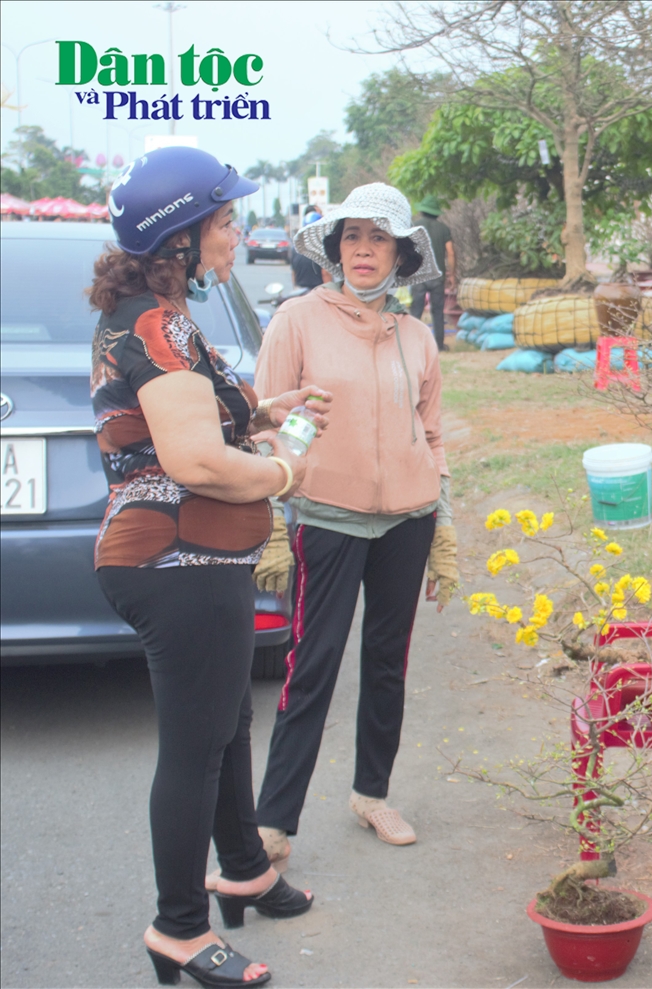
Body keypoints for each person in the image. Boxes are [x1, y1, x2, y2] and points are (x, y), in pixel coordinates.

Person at [92, 146, 328, 988]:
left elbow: (196, 417)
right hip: (175, 558)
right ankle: (179, 929)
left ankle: (245, 868)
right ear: (180, 238)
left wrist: (265, 410)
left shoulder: (160, 315)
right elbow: (193, 460)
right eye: (226, 220)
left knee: (229, 723)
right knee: (196, 745)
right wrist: (284, 473)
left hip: (200, 552)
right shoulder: (154, 326)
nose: (238, 232)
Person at [252, 183, 460, 857]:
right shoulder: (298, 320)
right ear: (334, 250)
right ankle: (275, 821)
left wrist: (444, 524)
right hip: (327, 516)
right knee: (312, 665)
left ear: (400, 255)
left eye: (378, 239)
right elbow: (268, 425)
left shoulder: (417, 337)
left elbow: (431, 436)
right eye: (352, 237)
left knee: (387, 665)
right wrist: (274, 515)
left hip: (408, 519)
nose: (363, 250)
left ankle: (373, 794)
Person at [407, 195, 453, 350]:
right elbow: (450, 252)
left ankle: (412, 345)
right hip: (437, 276)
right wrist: (451, 274)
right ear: (436, 212)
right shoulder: (444, 229)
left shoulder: (414, 227)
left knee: (416, 311)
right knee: (438, 311)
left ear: (422, 211)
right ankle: (439, 345)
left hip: (418, 275)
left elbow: (407, 249)